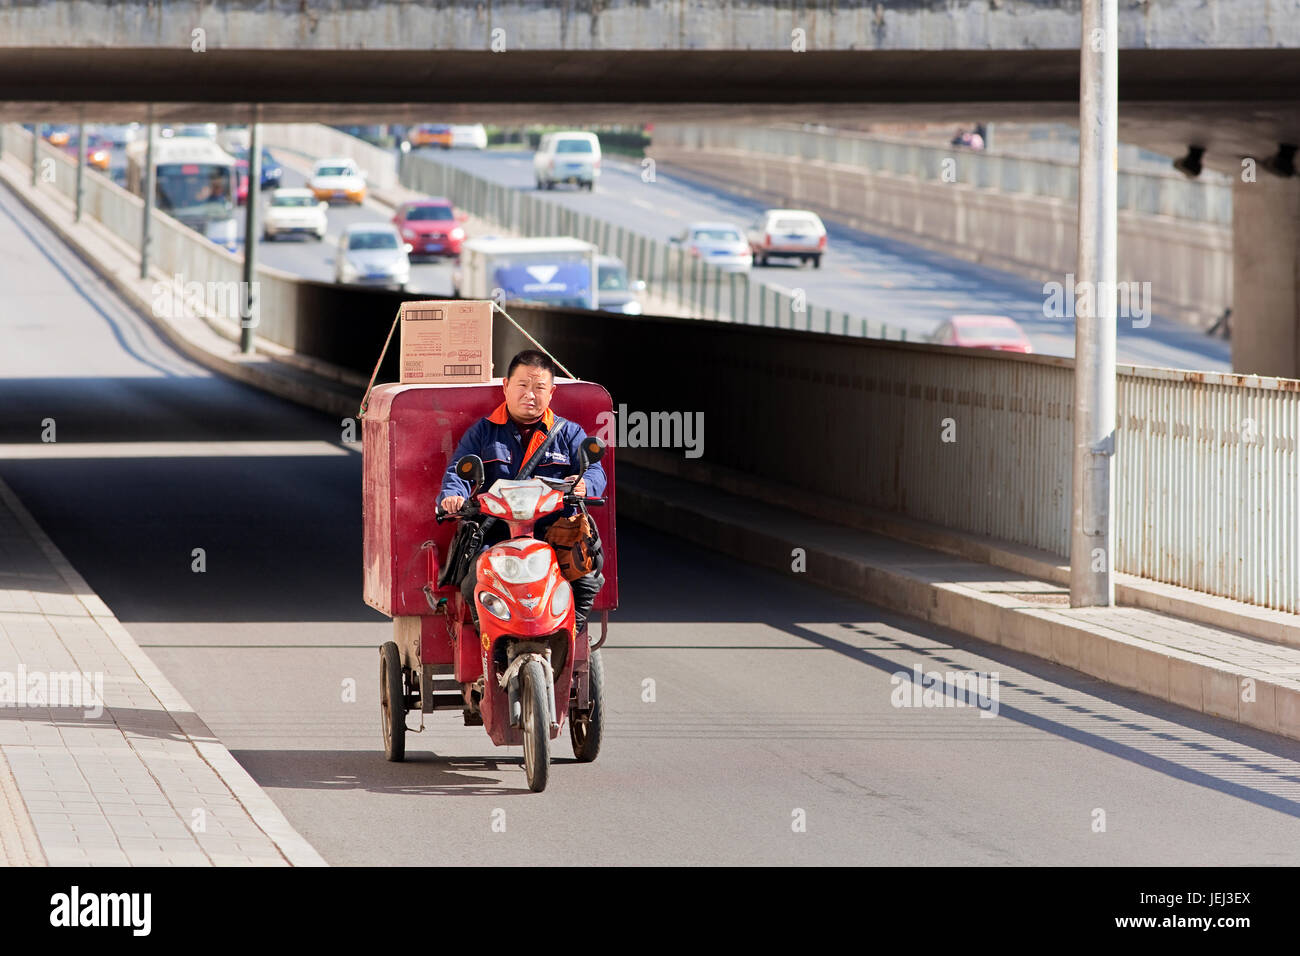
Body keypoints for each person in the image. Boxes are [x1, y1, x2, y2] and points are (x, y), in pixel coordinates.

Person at [439, 349, 607, 635]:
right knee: (472, 584)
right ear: (506, 386)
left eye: (539, 387)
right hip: (496, 537)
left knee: (588, 580)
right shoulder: (483, 432)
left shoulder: (568, 433)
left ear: (551, 392)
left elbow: (595, 472)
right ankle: (491, 646)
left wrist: (584, 484)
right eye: (523, 385)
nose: (530, 394)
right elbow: (458, 470)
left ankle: (567, 639)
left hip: (554, 538)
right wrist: (452, 497)